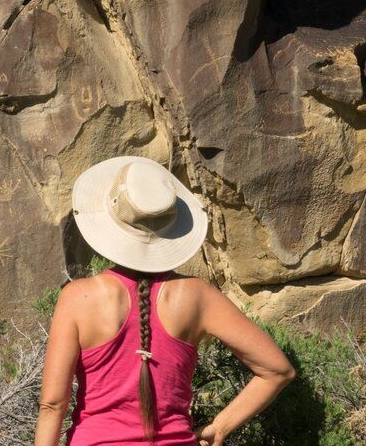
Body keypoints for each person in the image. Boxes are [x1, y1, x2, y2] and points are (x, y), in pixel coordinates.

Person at [34, 156, 296, 446]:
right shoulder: (199, 296)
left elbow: (53, 405)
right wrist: (220, 427)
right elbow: (277, 370)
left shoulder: (77, 298)